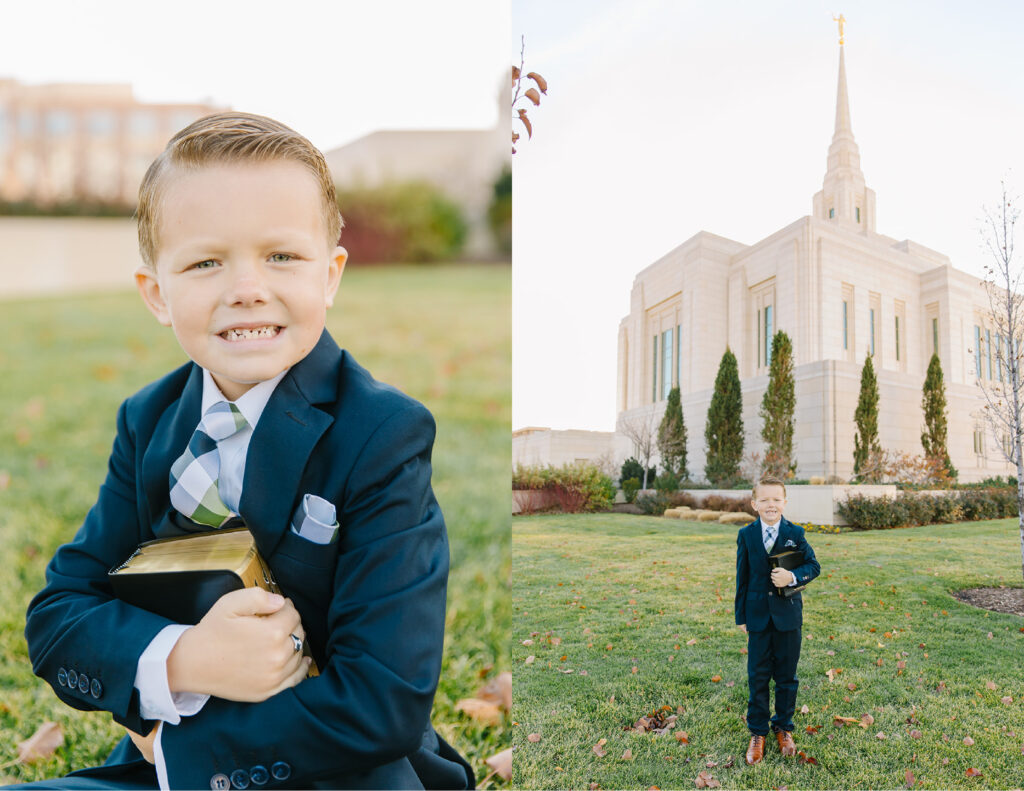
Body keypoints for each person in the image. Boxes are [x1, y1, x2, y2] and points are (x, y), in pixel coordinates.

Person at [14, 112, 474, 790]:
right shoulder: (148, 421)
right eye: (205, 262)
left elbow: (384, 700)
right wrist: (186, 659)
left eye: (281, 256)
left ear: (331, 274)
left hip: (335, 770)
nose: (247, 287)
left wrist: (189, 755)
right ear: (157, 294)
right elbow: (58, 617)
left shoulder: (383, 433)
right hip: (162, 766)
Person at [734, 475, 820, 766]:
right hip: (757, 617)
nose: (771, 504)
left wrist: (792, 577)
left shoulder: (795, 533)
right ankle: (758, 732)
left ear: (784, 502)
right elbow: (742, 578)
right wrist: (740, 616)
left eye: (776, 499)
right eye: (765, 499)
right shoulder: (746, 535)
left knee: (786, 676)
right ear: (754, 503)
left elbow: (813, 565)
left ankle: (783, 727)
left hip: (788, 617)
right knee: (757, 676)